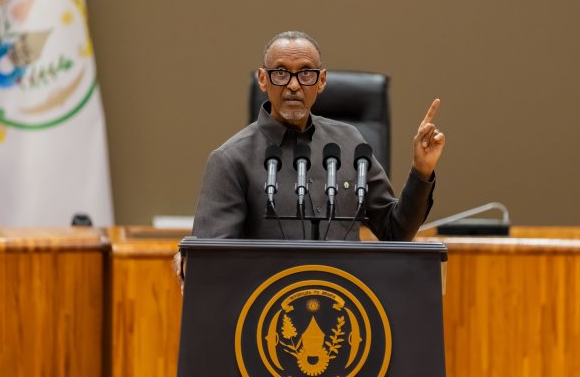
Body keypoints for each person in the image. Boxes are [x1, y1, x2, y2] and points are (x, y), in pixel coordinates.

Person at [191, 31, 446, 242]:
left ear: (321, 81)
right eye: (281, 72)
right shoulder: (231, 159)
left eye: (305, 73)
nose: (293, 85)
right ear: (263, 79)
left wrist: (421, 171)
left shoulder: (349, 142)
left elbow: (395, 232)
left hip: (345, 287)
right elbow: (212, 260)